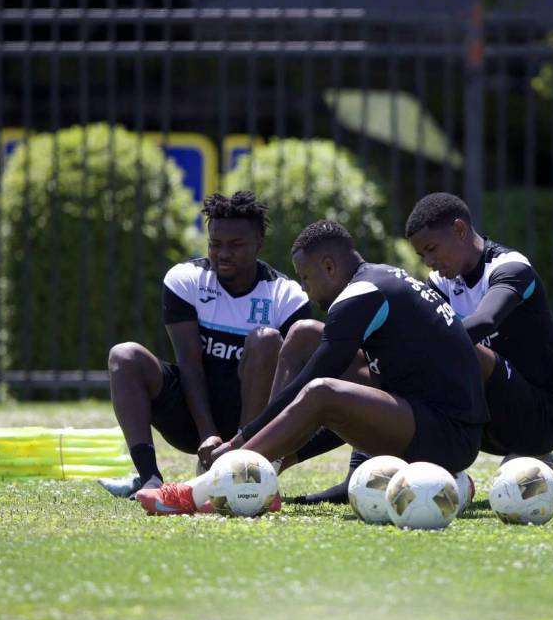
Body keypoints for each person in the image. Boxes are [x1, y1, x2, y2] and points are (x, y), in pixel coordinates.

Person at [134, 219, 489, 515]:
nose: (305, 290)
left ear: (330, 267)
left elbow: (314, 380)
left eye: (305, 278)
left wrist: (242, 440)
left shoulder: (360, 296)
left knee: (321, 391)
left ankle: (203, 489)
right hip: (433, 418)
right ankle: (263, 473)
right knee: (304, 333)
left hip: (446, 436)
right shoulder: (381, 279)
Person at [297, 192, 553, 504]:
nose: (429, 262)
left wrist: (411, 352)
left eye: (431, 249)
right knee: (378, 364)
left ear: (459, 230)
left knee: (469, 353)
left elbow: (485, 321)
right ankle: (356, 475)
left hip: (537, 420)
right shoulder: (438, 285)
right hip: (474, 423)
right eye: (422, 256)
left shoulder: (511, 268)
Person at [98, 191, 311, 499]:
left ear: (258, 244)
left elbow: (292, 381)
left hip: (253, 421)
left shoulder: (285, 296)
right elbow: (189, 363)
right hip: (193, 416)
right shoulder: (185, 279)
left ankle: (243, 462)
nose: (223, 253)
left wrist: (248, 442)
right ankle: (149, 478)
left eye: (236, 245)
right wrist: (208, 433)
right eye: (215, 244)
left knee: (266, 339)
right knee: (124, 355)